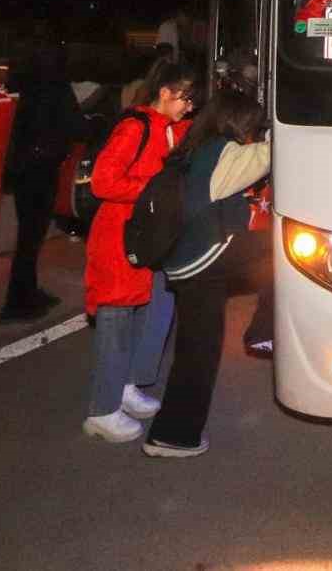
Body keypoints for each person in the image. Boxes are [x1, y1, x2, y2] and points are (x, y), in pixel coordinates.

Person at [143, 90, 271, 458]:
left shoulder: (193, 148)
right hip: (205, 256)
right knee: (287, 251)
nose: (256, 131)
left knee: (196, 349)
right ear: (238, 122)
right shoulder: (223, 153)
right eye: (254, 124)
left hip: (185, 260)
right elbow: (267, 156)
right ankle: (264, 333)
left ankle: (172, 434)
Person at [81, 58, 197, 442]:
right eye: (185, 98)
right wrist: (154, 192)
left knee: (156, 311)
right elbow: (103, 181)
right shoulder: (136, 127)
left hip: (150, 237)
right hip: (120, 236)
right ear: (165, 93)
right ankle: (102, 409)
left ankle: (127, 385)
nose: (189, 106)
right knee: (115, 320)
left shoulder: (173, 129)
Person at [1, 35, 84, 322]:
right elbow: (75, 125)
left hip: (22, 167)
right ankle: (18, 300)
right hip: (43, 166)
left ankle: (26, 291)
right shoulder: (57, 85)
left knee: (28, 235)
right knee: (31, 237)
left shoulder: (19, 83)